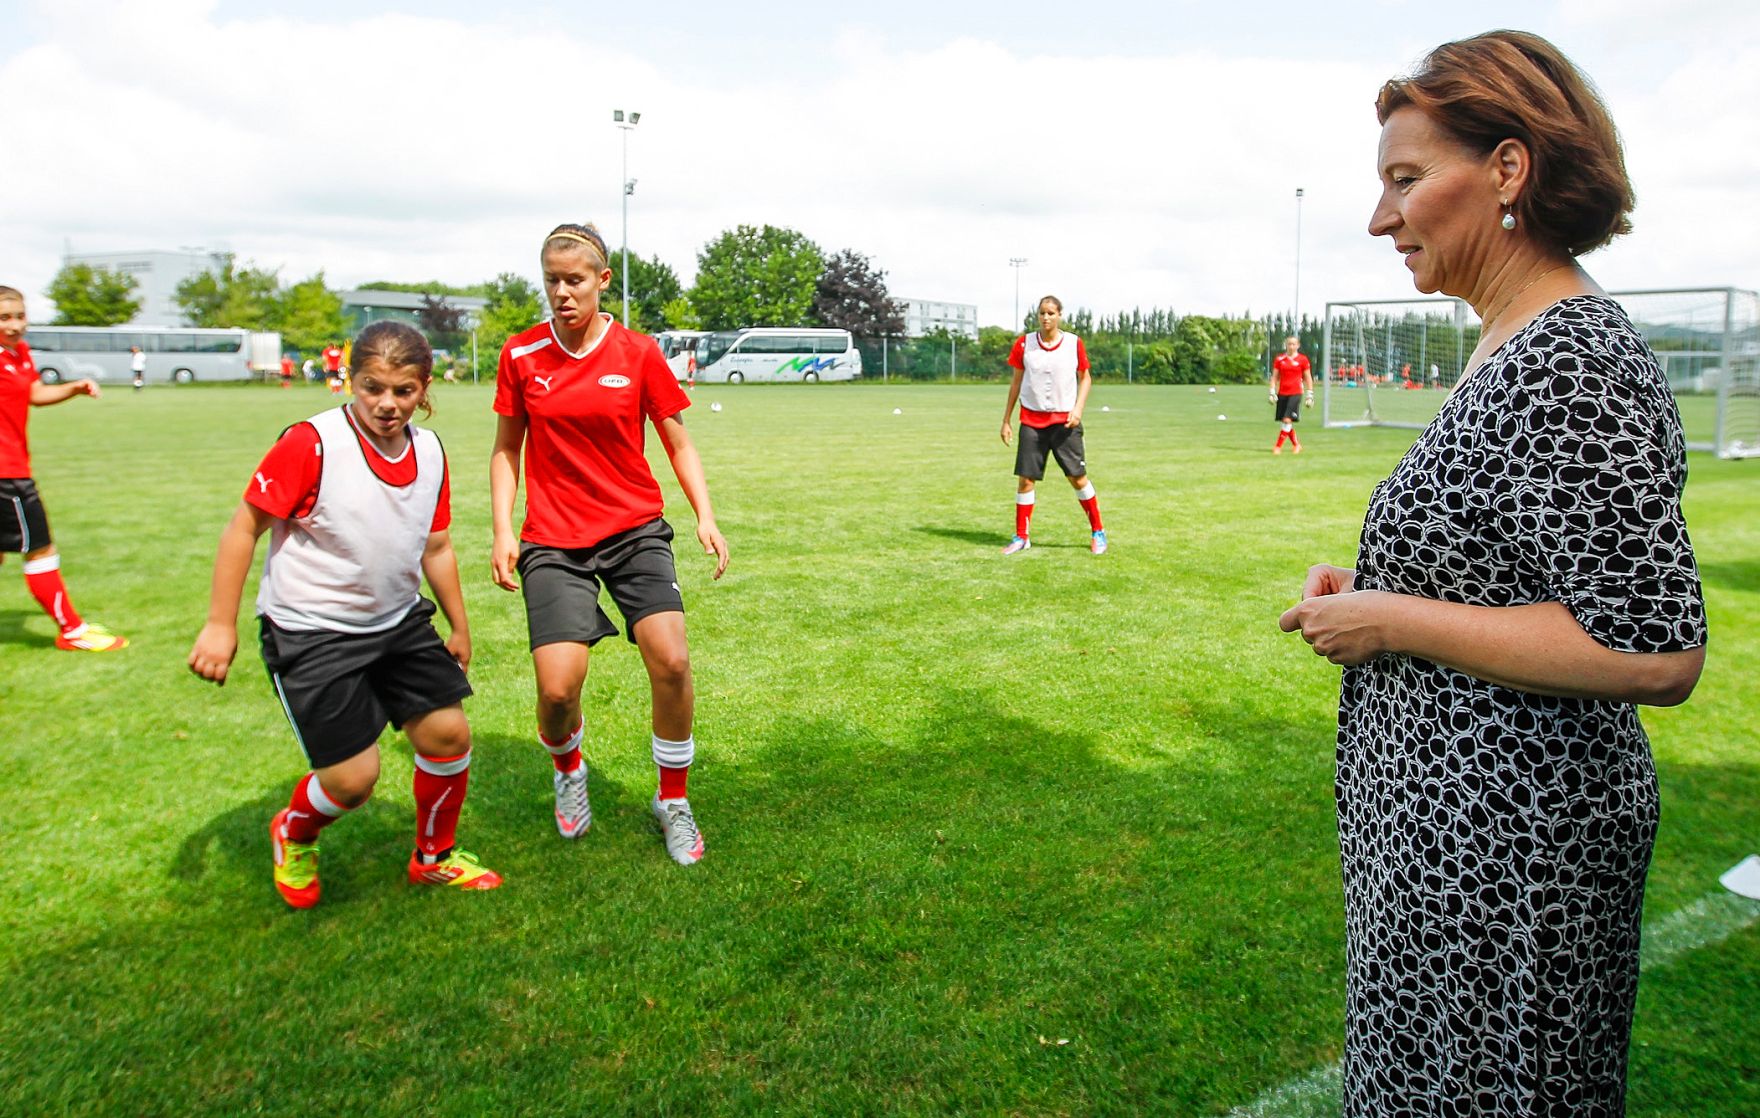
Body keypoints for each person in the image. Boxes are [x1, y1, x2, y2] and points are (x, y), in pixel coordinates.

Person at [1278, 31, 1707, 1116]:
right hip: (1445, 856)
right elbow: (1503, 563)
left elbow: (1652, 645)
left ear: (1507, 170)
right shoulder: (1501, 340)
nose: (1381, 218)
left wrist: (1393, 620)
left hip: (1508, 868)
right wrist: (1376, 584)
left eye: (1404, 180)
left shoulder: (1571, 355)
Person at [188, 320, 500, 907]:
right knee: (353, 783)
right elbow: (243, 528)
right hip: (312, 632)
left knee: (447, 735)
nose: (387, 404)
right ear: (348, 380)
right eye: (372, 387)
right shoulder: (312, 443)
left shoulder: (429, 451)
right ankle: (295, 831)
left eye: (403, 391)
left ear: (424, 388)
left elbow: (435, 545)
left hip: (398, 621)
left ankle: (433, 858)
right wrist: (218, 623)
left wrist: (459, 625)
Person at [490, 222, 728, 866]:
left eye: (574, 280)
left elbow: (678, 441)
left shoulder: (639, 352)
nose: (562, 293)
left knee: (672, 660)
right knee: (560, 690)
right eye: (552, 281)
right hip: (553, 540)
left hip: (634, 531)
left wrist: (705, 515)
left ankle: (672, 800)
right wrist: (502, 529)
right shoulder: (520, 355)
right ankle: (569, 770)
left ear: (602, 281)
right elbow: (507, 449)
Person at [0, 286, 128, 652]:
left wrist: (73, 389)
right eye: (4, 317)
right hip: (6, 475)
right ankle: (71, 630)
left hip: (13, 466)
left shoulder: (19, 353)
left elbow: (34, 394)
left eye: (20, 316)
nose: (15, 325)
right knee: (39, 549)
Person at [998, 295, 1105, 555]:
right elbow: (1016, 382)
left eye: (1051, 313)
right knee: (1025, 480)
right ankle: (1022, 536)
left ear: (1059, 315)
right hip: (1032, 422)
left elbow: (1085, 377)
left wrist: (1078, 409)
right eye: (1042, 313)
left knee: (1077, 479)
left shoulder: (1073, 343)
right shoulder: (1024, 344)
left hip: (1064, 423)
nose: (1046, 318)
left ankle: (1098, 532)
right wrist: (1006, 420)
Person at [1267, 335, 1314, 454]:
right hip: (1282, 392)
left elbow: (1308, 377)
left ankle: (1277, 447)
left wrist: (1310, 394)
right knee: (1285, 421)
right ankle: (1296, 445)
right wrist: (1272, 392)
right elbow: (1275, 376)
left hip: (1296, 393)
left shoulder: (1302, 360)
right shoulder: (1280, 359)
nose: (1291, 346)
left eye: (1294, 344)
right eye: (1289, 344)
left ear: (1298, 345)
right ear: (1286, 345)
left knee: (1287, 419)